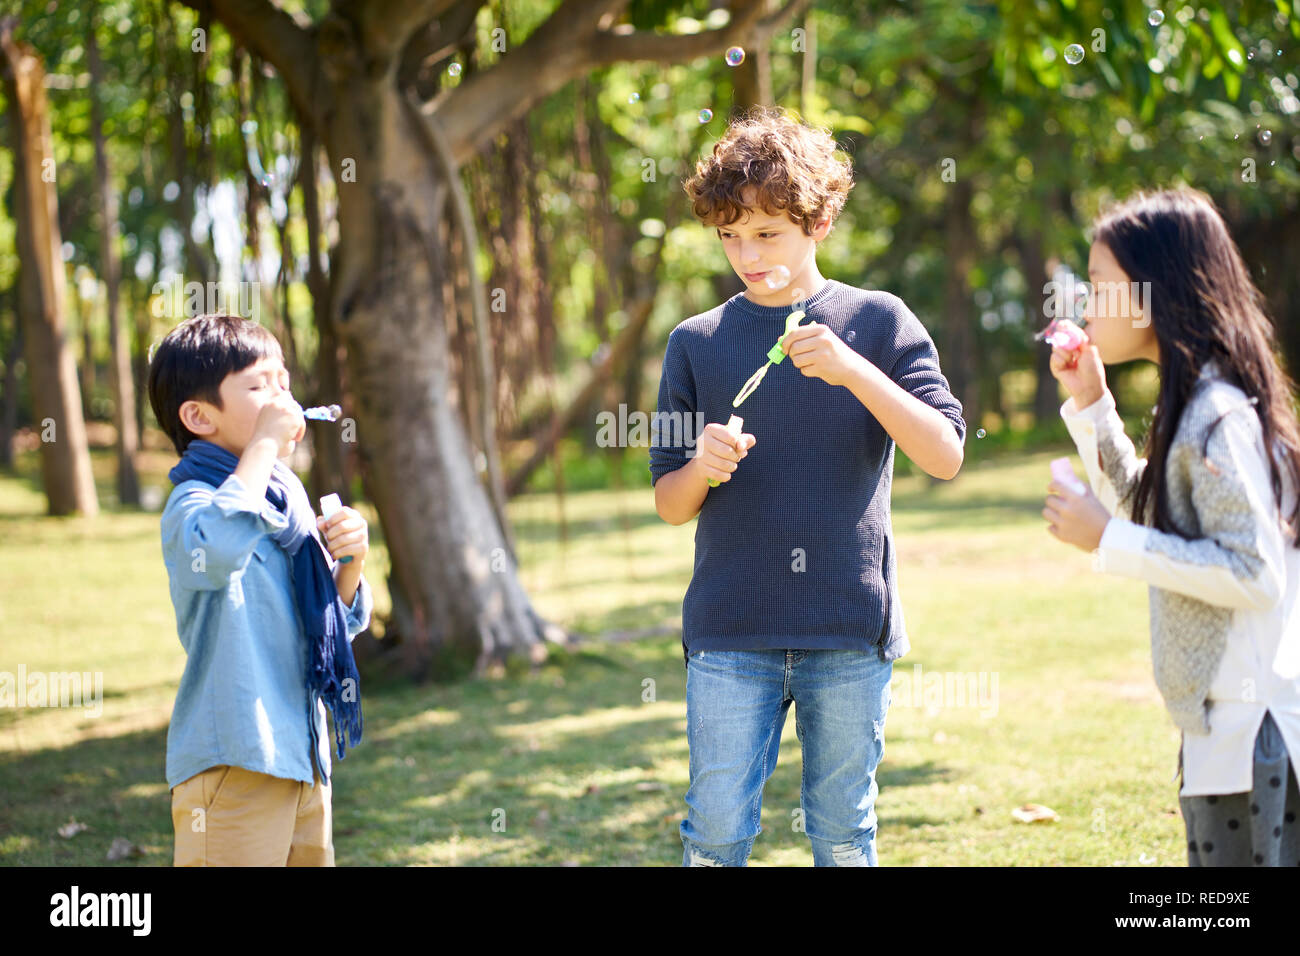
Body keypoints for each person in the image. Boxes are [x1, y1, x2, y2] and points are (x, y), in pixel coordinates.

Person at [649, 106, 966, 866]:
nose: (748, 255)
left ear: (818, 222)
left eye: (768, 234)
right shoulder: (693, 343)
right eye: (731, 236)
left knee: (843, 834)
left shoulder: (879, 322)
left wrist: (854, 371)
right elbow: (669, 502)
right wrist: (703, 466)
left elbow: (946, 454)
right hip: (730, 634)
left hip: (848, 628)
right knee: (717, 832)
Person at [1044, 188, 1300, 866]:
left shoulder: (1219, 418)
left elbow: (1255, 572)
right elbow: (1148, 509)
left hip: (1258, 737)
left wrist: (1107, 539)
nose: (1086, 305)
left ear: (1154, 290)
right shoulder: (1195, 404)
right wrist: (1093, 404)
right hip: (1226, 734)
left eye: (1099, 283)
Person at [147, 314, 373, 866]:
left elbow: (329, 626)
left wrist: (351, 561)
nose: (281, 400)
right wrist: (265, 446)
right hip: (236, 762)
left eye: (284, 383)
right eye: (258, 386)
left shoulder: (285, 499)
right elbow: (220, 546)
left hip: (302, 757)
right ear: (198, 416)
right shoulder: (194, 504)